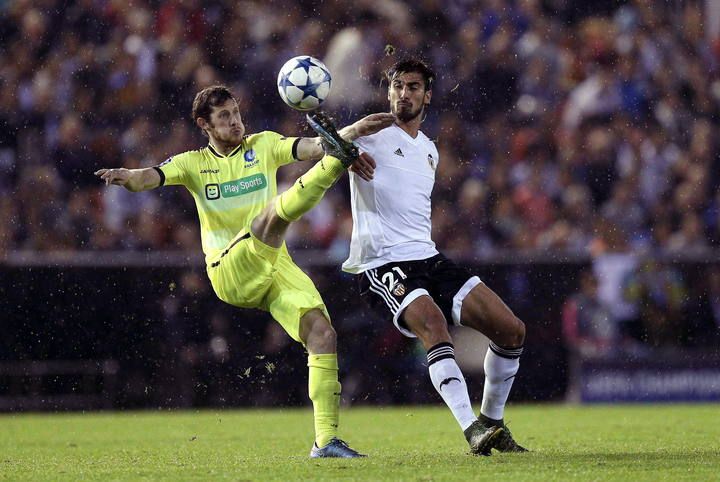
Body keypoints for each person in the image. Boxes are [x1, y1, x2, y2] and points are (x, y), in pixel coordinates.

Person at [95, 85, 394, 458]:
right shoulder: (192, 163)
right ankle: (339, 162)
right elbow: (149, 177)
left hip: (274, 265)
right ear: (204, 124)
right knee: (270, 216)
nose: (235, 122)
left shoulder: (264, 144)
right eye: (224, 117)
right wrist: (128, 174)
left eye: (236, 113)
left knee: (322, 333)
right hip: (228, 269)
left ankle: (326, 440)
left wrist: (355, 128)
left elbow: (313, 146)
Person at [339, 59, 527, 455]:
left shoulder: (429, 150)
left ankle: (493, 422)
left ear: (427, 95)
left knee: (511, 330)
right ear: (388, 92)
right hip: (381, 261)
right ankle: (471, 430)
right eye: (396, 86)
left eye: (412, 86)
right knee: (434, 325)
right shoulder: (368, 133)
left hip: (428, 258)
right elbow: (322, 147)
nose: (403, 93)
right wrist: (346, 142)